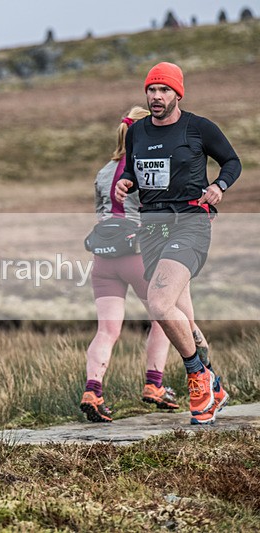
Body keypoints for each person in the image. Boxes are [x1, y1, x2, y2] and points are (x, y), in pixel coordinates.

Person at [115, 62, 241, 425]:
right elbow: (132, 169)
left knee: (158, 303)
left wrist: (219, 186)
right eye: (151, 90)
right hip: (152, 229)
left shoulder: (198, 128)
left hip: (190, 223)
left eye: (164, 90)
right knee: (183, 317)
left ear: (177, 94)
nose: (156, 96)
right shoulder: (137, 132)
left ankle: (197, 378)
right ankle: (214, 383)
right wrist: (126, 182)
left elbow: (232, 162)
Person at [81, 106, 212, 422]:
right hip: (138, 252)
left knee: (107, 330)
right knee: (162, 315)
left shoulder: (103, 172)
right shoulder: (147, 164)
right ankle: (155, 384)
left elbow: (102, 211)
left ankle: (92, 392)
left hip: (103, 258)